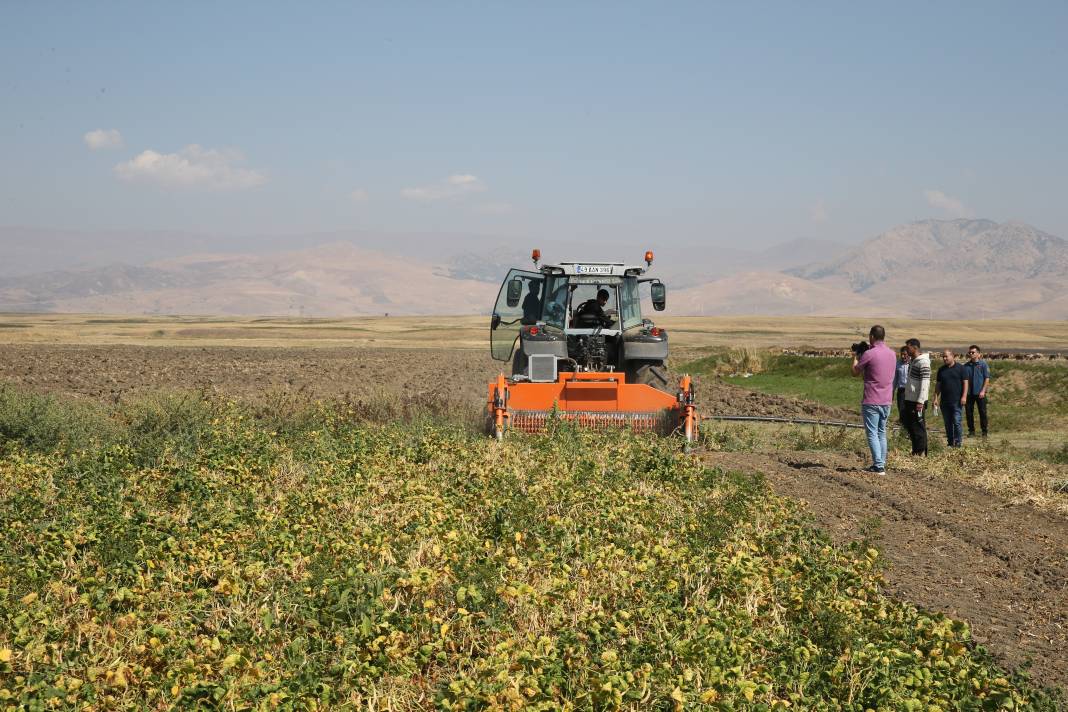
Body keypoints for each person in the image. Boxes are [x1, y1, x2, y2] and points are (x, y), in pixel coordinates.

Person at [851, 325, 896, 474]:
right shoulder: (892, 354)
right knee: (881, 432)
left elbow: (855, 372)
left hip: (872, 399)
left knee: (872, 433)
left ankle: (878, 466)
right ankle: (881, 463)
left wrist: (855, 358)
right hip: (887, 400)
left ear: (871, 336)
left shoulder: (869, 354)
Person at [902, 338, 931, 456]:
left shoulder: (923, 362)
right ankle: (915, 450)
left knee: (918, 426)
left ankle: (921, 451)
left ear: (915, 347)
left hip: (917, 401)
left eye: (908, 347)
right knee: (911, 426)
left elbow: (925, 382)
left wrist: (921, 401)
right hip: (910, 399)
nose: (906, 350)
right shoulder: (913, 361)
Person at [934, 349, 968, 447]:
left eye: (946, 356)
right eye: (943, 357)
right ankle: (950, 442)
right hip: (944, 401)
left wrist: (964, 396)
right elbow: (938, 385)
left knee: (957, 422)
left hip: (957, 401)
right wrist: (935, 398)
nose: (944, 358)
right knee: (947, 423)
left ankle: (958, 443)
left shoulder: (961, 368)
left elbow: (965, 383)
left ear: (952, 356)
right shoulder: (941, 370)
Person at [963, 344, 991, 437]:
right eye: (970, 352)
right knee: (969, 413)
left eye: (973, 352)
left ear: (978, 354)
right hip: (969, 393)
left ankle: (984, 431)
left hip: (980, 393)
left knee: (982, 412)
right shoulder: (966, 366)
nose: (971, 354)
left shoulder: (983, 364)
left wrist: (983, 391)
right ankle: (971, 431)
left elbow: (987, 379)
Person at [894, 346, 910, 431]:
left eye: (905, 354)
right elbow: (895, 379)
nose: (903, 356)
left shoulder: (912, 364)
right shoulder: (898, 363)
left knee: (910, 411)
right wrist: (892, 391)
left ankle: (909, 430)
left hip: (911, 391)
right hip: (901, 391)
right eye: (902, 354)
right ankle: (904, 431)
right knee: (901, 410)